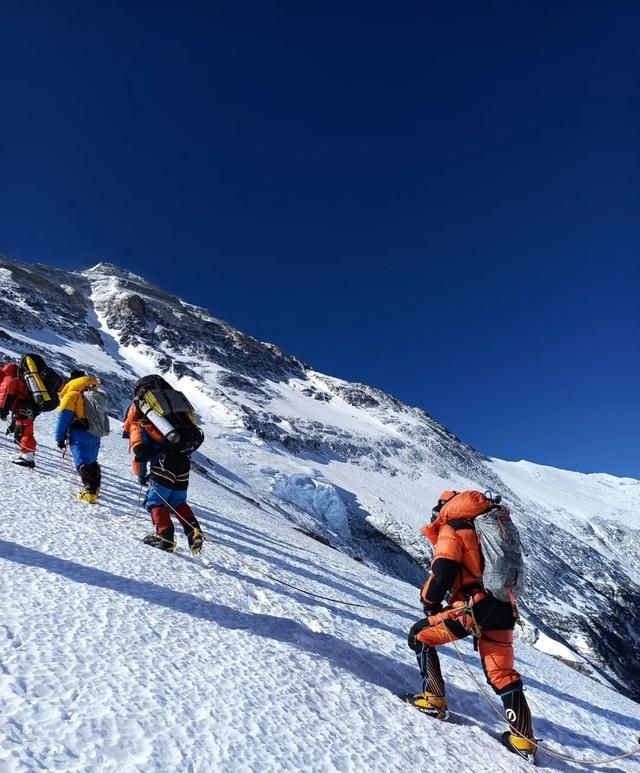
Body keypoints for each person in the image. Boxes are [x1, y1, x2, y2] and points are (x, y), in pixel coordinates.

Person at [405, 490, 536, 761]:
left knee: (420, 636)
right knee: (502, 673)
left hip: (471, 609)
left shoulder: (453, 529)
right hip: (502, 607)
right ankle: (523, 741)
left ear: (445, 508)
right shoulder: (488, 527)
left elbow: (442, 573)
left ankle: (433, 700)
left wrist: (428, 602)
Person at [123, 398, 204, 555]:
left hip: (163, 464)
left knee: (155, 501)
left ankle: (164, 537)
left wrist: (141, 475)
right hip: (183, 463)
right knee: (177, 501)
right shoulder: (172, 419)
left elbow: (140, 453)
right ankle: (194, 531)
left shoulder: (139, 424)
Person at [55, 373, 104, 503]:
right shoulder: (95, 395)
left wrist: (59, 438)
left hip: (79, 435)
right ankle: (96, 489)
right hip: (96, 434)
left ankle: (90, 494)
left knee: (82, 463)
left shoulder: (72, 395)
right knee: (92, 461)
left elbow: (63, 418)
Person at [0, 362, 38, 467]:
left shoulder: (7, 379)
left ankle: (28, 459)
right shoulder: (17, 377)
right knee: (24, 431)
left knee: (24, 432)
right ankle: (25, 455)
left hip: (22, 409)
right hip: (26, 408)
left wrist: (3, 410)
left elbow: (6, 395)